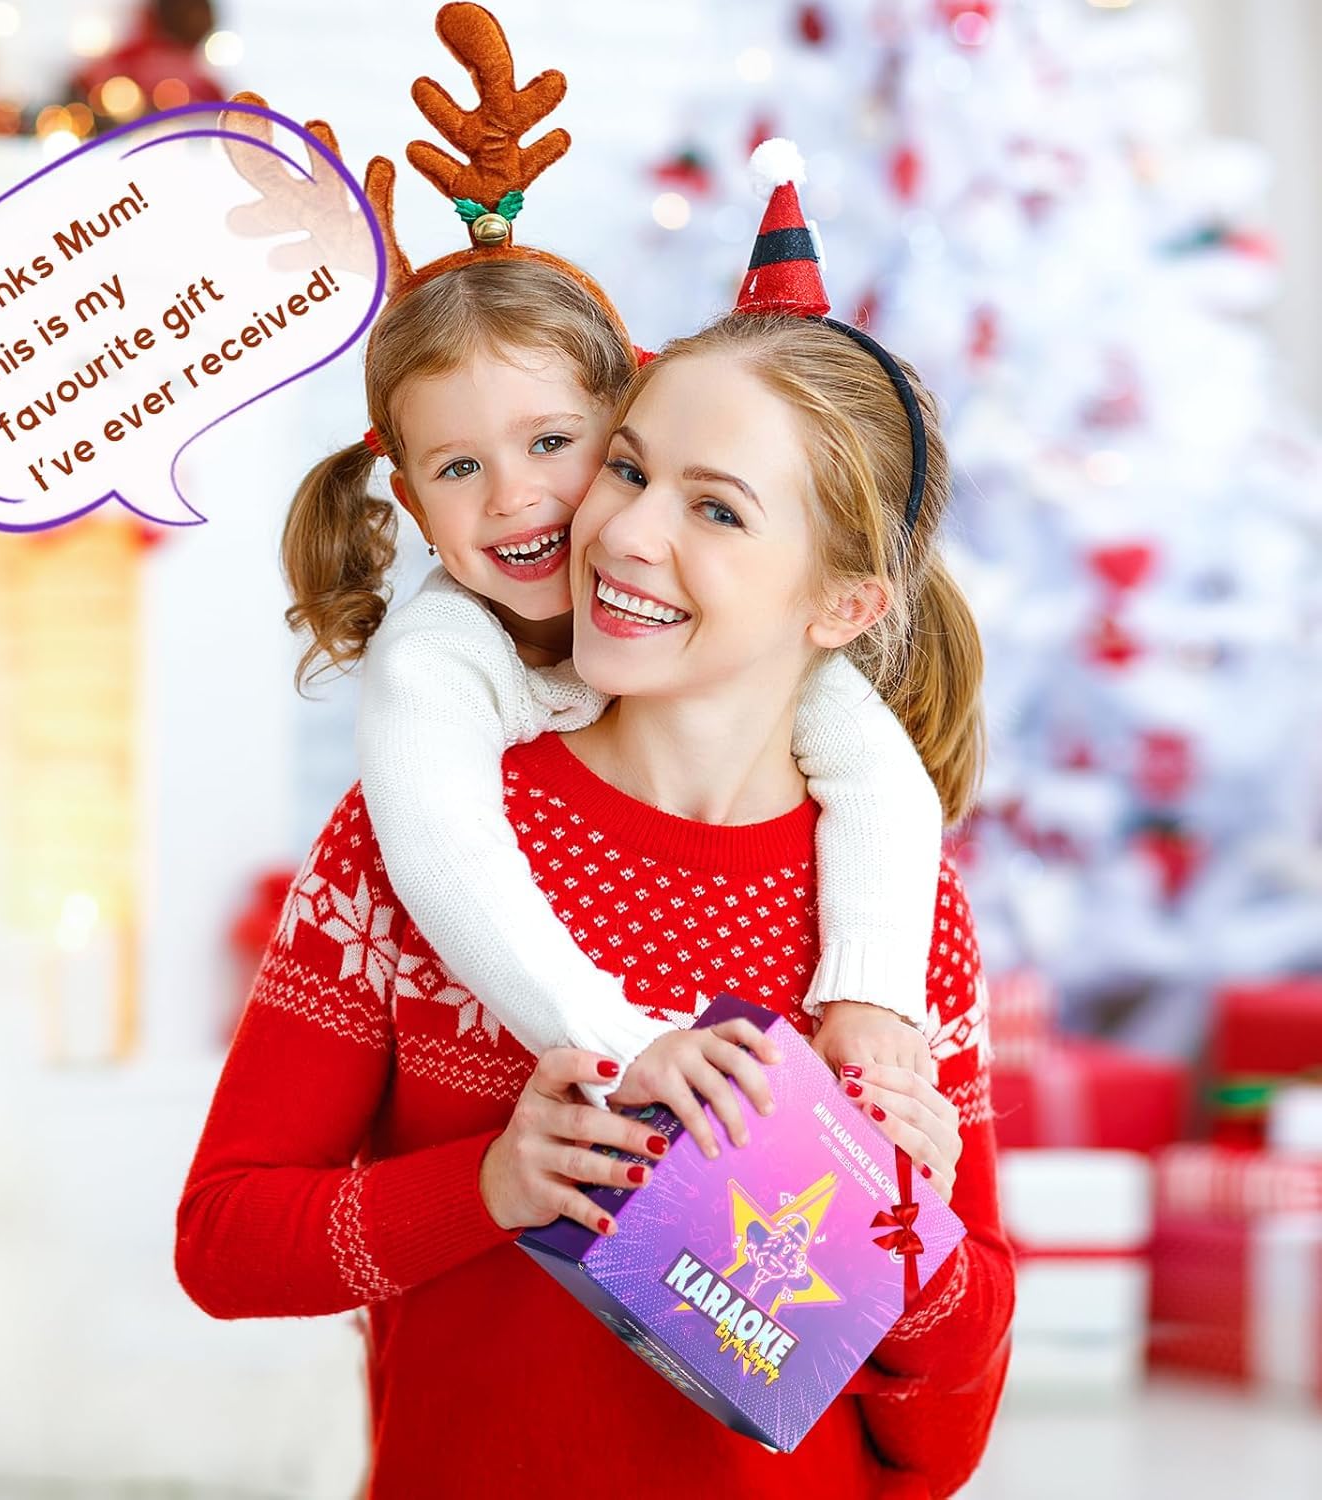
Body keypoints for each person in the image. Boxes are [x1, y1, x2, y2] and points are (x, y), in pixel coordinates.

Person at [176, 136, 1014, 1499]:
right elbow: (225, 1244)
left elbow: (939, 1445)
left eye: (716, 510)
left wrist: (902, 1228)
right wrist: (492, 1188)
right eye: (625, 468)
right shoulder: (402, 842)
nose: (621, 533)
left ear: (842, 607)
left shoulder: (898, 916)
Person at [271, 7, 943, 1128]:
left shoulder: (835, 774)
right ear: (409, 500)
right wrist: (617, 1047)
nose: (516, 497)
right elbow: (447, 853)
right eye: (456, 467)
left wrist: (873, 996)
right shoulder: (439, 659)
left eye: (556, 446)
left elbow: (884, 785)